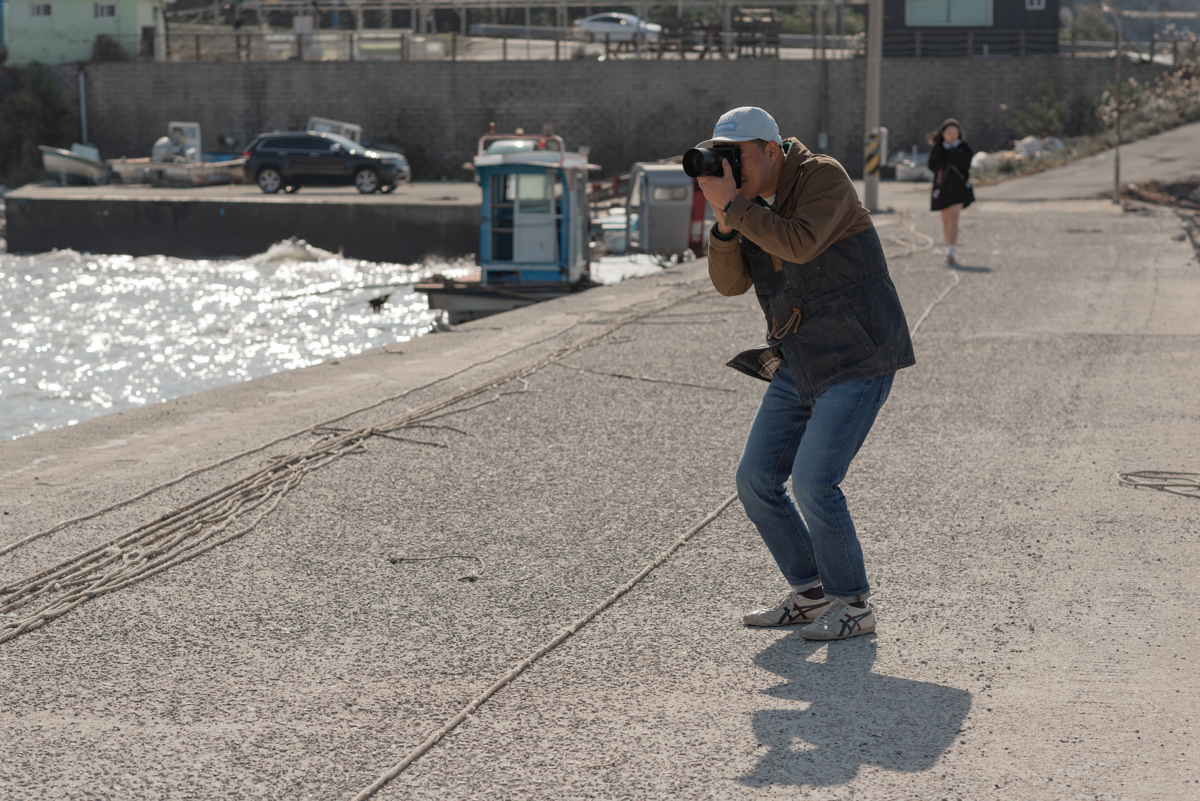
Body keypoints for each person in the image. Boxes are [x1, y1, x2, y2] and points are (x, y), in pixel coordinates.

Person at [696, 107, 915, 641]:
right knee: (754, 481)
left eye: (736, 156)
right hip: (800, 359)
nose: (729, 167)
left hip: (857, 356)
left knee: (816, 482)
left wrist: (738, 206)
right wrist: (726, 222)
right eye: (720, 156)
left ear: (772, 150)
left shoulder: (823, 176)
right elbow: (729, 285)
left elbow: (798, 242)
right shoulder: (745, 205)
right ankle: (811, 592)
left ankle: (853, 604)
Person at [927, 118, 975, 266]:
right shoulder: (938, 148)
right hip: (942, 189)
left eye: (955, 133)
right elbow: (932, 165)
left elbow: (966, 164)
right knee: (946, 220)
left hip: (958, 189)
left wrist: (951, 154)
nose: (952, 135)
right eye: (949, 133)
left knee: (954, 218)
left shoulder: (963, 147)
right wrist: (943, 151)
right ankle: (948, 248)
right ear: (943, 133)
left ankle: (952, 250)